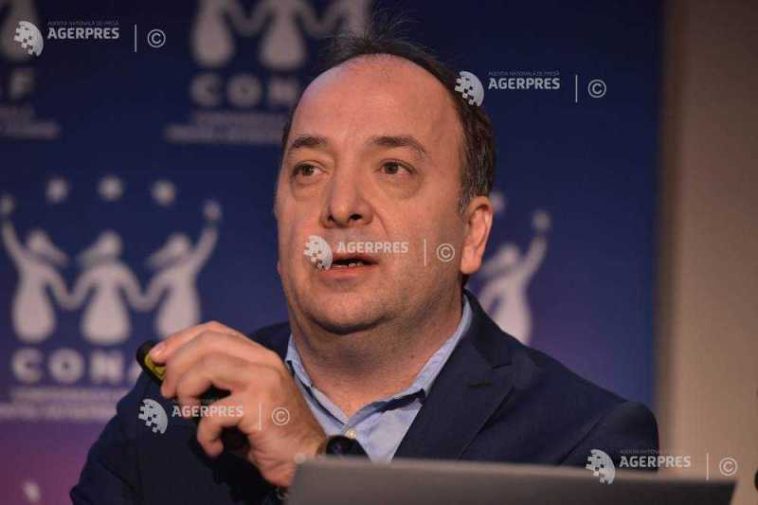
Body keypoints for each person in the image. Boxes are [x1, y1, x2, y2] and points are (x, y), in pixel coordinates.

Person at [71, 24, 657, 504]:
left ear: (471, 233)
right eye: (309, 170)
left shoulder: (582, 444)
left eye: (393, 168)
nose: (341, 205)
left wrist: (316, 471)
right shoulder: (171, 413)